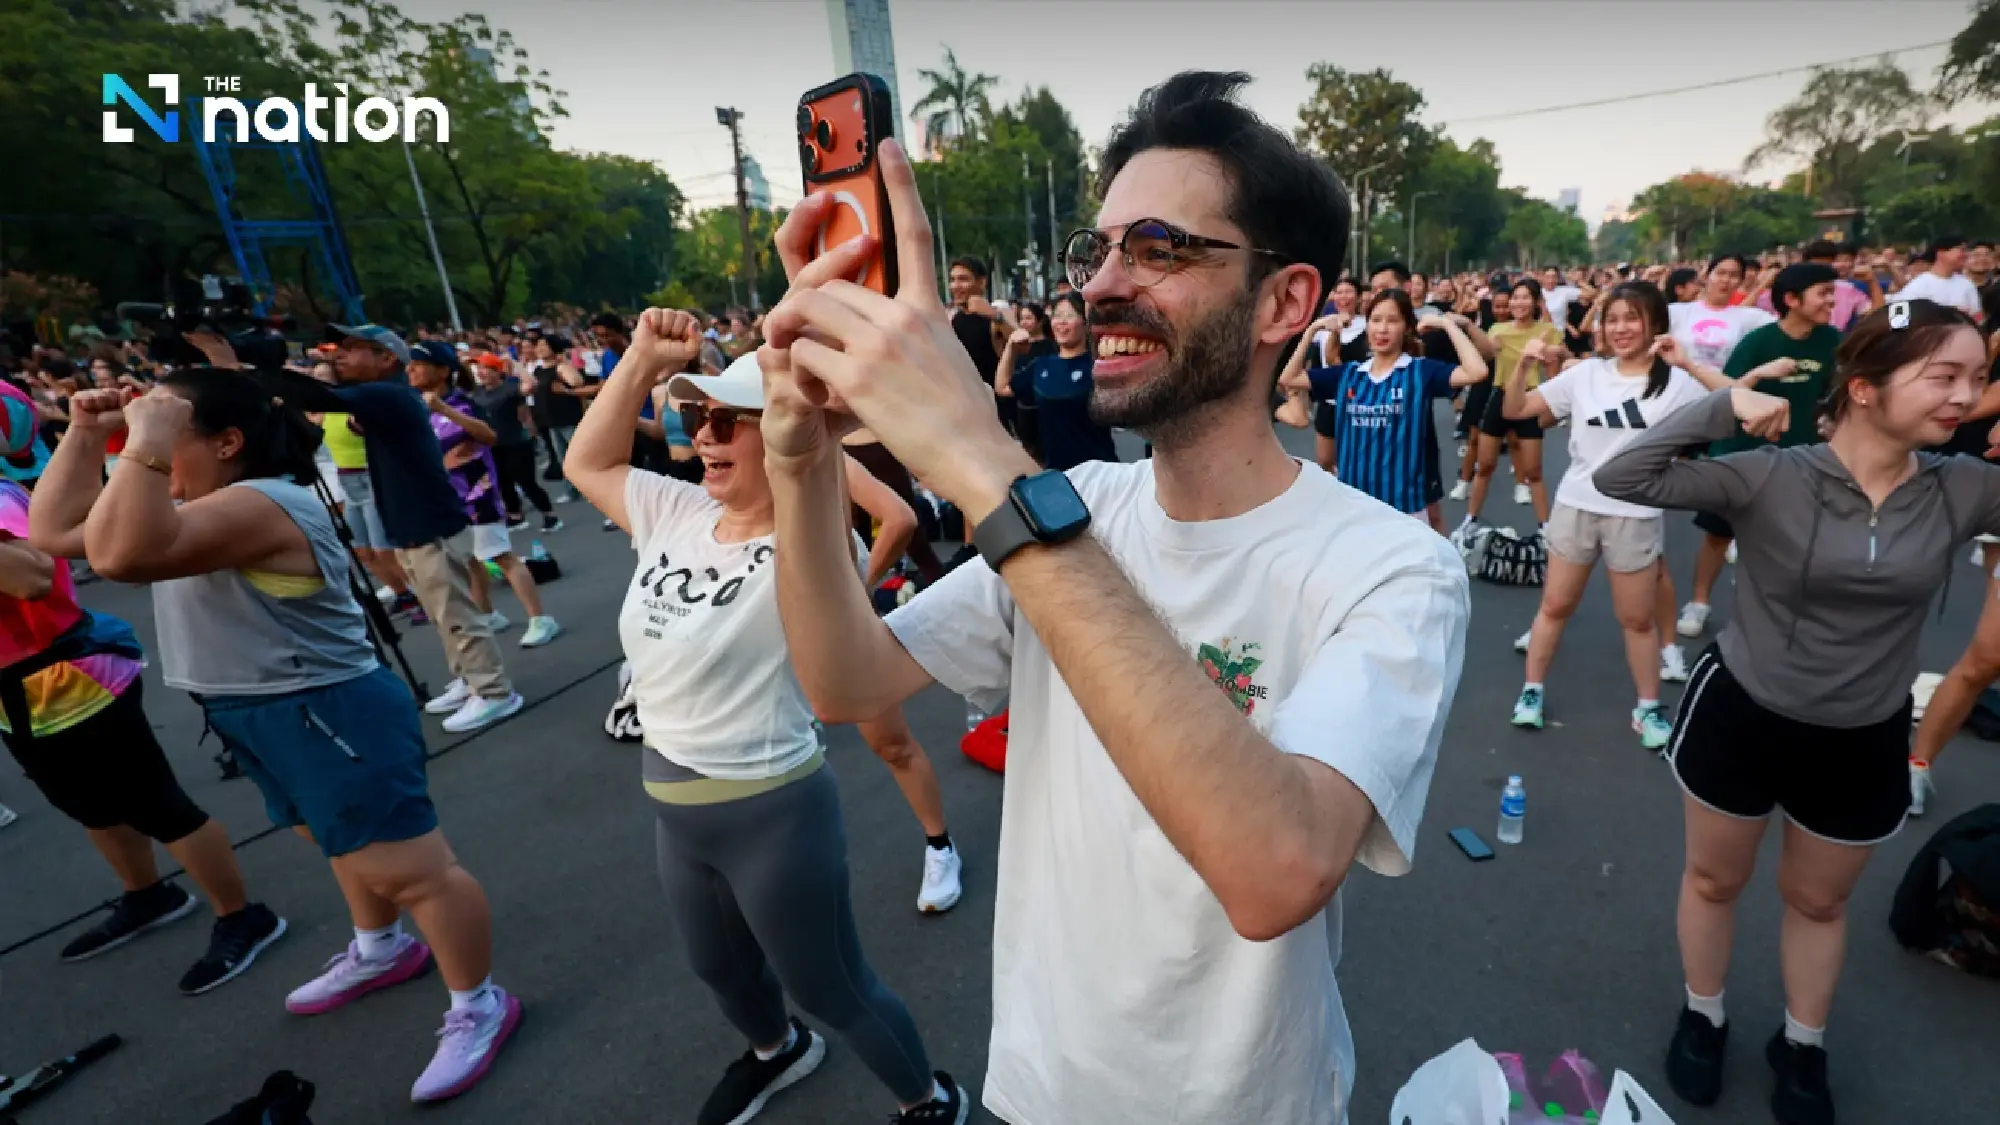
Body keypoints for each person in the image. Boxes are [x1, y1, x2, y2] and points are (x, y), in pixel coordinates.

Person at [760, 71, 1466, 1124]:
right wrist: (798, 461)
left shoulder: (1390, 566)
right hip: (1035, 1085)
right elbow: (842, 679)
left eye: (1158, 249)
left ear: (1285, 301)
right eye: (1098, 251)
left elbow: (1277, 871)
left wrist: (984, 465)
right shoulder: (1077, 502)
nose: (1097, 286)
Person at [36, 375, 520, 1102]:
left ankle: (479, 1003)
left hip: (325, 708)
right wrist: (81, 430)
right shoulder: (186, 502)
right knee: (339, 845)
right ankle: (381, 948)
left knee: (415, 870)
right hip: (257, 708)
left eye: (175, 425)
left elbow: (119, 557)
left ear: (227, 442)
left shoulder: (260, 502)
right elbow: (51, 534)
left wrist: (142, 441)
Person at [1594, 299, 1998, 1125]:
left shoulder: (1966, 488)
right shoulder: (1771, 473)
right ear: (1863, 389)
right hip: (1743, 714)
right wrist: (1721, 402)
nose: (1969, 395)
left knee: (1819, 902)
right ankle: (1703, 1014)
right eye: (1945, 376)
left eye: (1979, 377)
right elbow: (1620, 477)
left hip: (1863, 735)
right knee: (1715, 878)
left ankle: (1802, 1043)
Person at [563, 332, 969, 1125]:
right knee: (718, 967)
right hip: (673, 806)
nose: (702, 436)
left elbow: (863, 511)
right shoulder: (674, 509)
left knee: (833, 987)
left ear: (782, 431)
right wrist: (642, 359)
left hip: (773, 810)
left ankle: (930, 1101)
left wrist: (817, 432)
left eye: (727, 422)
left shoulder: (812, 542)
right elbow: (589, 463)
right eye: (697, 419)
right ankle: (776, 1051)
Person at [5, 377, 285, 994]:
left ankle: (243, 916)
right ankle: (146, 894)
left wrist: (120, 440)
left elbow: (33, 574)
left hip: (66, 672)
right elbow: (55, 539)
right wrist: (84, 430)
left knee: (156, 803)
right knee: (89, 804)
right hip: (14, 689)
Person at [1497, 283, 1739, 747]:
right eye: (1613, 319)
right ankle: (1531, 692)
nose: (1621, 328)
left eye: (1633, 318)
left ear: (1655, 325)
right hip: (1576, 506)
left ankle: (1647, 709)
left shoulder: (1678, 382)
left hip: (1636, 515)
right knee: (1554, 606)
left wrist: (1688, 362)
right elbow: (1519, 409)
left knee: (1638, 620)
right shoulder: (1586, 375)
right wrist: (1523, 365)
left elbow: (1739, 402)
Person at [275, 325, 522, 733]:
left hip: (430, 523)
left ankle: (495, 692)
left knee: (457, 614)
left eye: (351, 349)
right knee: (442, 613)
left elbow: (316, 396)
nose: (339, 357)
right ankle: (469, 678)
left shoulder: (388, 393)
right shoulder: (385, 397)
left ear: (386, 358)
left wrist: (255, 368)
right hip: (414, 521)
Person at [1677, 264, 1843, 641]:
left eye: (1832, 293)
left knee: (1784, 537)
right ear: (1791, 300)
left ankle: (1767, 609)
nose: (1831, 301)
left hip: (1802, 456)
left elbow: (1838, 391)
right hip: (1742, 453)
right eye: (1823, 293)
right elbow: (1729, 392)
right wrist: (1763, 375)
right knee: (1718, 535)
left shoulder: (1833, 341)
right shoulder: (1759, 342)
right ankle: (1699, 601)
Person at [1276, 288, 1489, 531]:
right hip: (1354, 505)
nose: (1383, 329)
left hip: (1405, 508)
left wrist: (1448, 325)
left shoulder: (1420, 372)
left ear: (1407, 327)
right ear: (1367, 326)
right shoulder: (1348, 375)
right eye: (1376, 320)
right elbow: (1288, 377)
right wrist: (1313, 330)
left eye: (1393, 320)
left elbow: (1477, 371)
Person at [405, 342, 559, 648]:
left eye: (418, 364)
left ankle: (540, 618)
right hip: (449, 497)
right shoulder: (420, 407)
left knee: (502, 557)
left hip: (478, 493)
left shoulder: (462, 402)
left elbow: (488, 436)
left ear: (442, 370)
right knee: (471, 560)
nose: (410, 370)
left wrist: (444, 409)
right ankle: (488, 615)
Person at [1456, 277, 1564, 541]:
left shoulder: (1546, 330)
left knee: (1534, 471)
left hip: (1530, 399)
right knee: (1486, 466)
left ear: (1536, 302)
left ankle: (1545, 528)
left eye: (1525, 297)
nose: (1518, 302)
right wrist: (1468, 326)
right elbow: (1487, 351)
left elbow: (1557, 359)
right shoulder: (1498, 329)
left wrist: (1553, 351)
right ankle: (1469, 520)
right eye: (1515, 297)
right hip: (1499, 396)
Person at [996, 292, 1116, 472]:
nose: (1061, 322)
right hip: (1058, 477)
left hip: (1100, 472)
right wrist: (1011, 348)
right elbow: (1003, 387)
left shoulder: (1100, 366)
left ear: (1086, 322)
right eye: (1057, 316)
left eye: (1069, 316)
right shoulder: (1042, 365)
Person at [468, 352, 560, 533]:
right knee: (503, 483)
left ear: (497, 371)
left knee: (526, 482)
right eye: (479, 368)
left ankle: (549, 515)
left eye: (485, 368)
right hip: (493, 445)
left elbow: (532, 384)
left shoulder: (510, 388)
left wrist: (513, 362)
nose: (481, 372)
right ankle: (516, 516)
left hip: (516, 443)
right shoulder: (478, 393)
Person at [1671, 254, 1774, 372]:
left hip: (1725, 388)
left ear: (1740, 282)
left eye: (1734, 275)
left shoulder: (1752, 318)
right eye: (1720, 273)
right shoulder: (1677, 312)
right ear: (1706, 276)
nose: (1725, 280)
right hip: (1682, 388)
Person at [1755, 242, 1873, 330]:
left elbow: (1876, 316)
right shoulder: (1787, 286)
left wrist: (1872, 282)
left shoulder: (1846, 289)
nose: (1831, 300)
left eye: (1827, 266)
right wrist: (1765, 282)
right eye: (1822, 293)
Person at [529, 335, 590, 503]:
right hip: (551, 421)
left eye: (544, 345)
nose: (540, 348)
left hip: (568, 418)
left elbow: (577, 382)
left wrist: (565, 365)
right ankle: (571, 490)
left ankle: (593, 487)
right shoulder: (538, 370)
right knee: (564, 459)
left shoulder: (561, 367)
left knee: (580, 456)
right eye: (538, 345)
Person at [1891, 234, 1985, 319]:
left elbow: (1978, 317)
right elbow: (1897, 321)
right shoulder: (1919, 285)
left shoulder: (1966, 284)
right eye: (1961, 250)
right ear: (1941, 253)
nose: (1966, 255)